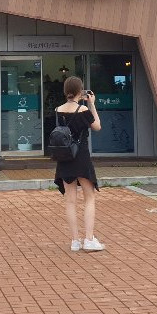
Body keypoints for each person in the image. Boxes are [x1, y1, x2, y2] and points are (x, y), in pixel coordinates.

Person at [54, 75, 104, 252]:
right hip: (81, 156)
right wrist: (92, 104)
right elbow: (97, 126)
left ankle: (75, 241)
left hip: (65, 158)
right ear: (79, 91)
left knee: (70, 201)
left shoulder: (58, 110)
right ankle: (88, 239)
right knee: (89, 198)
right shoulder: (83, 110)